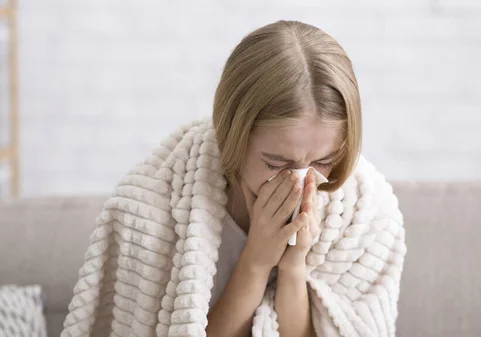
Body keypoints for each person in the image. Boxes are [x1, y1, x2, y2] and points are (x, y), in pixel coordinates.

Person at [62, 20, 406, 337]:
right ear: (232, 137)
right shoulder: (150, 210)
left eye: (324, 161)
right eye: (276, 162)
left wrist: (293, 266)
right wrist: (256, 260)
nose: (301, 182)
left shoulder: (366, 212)